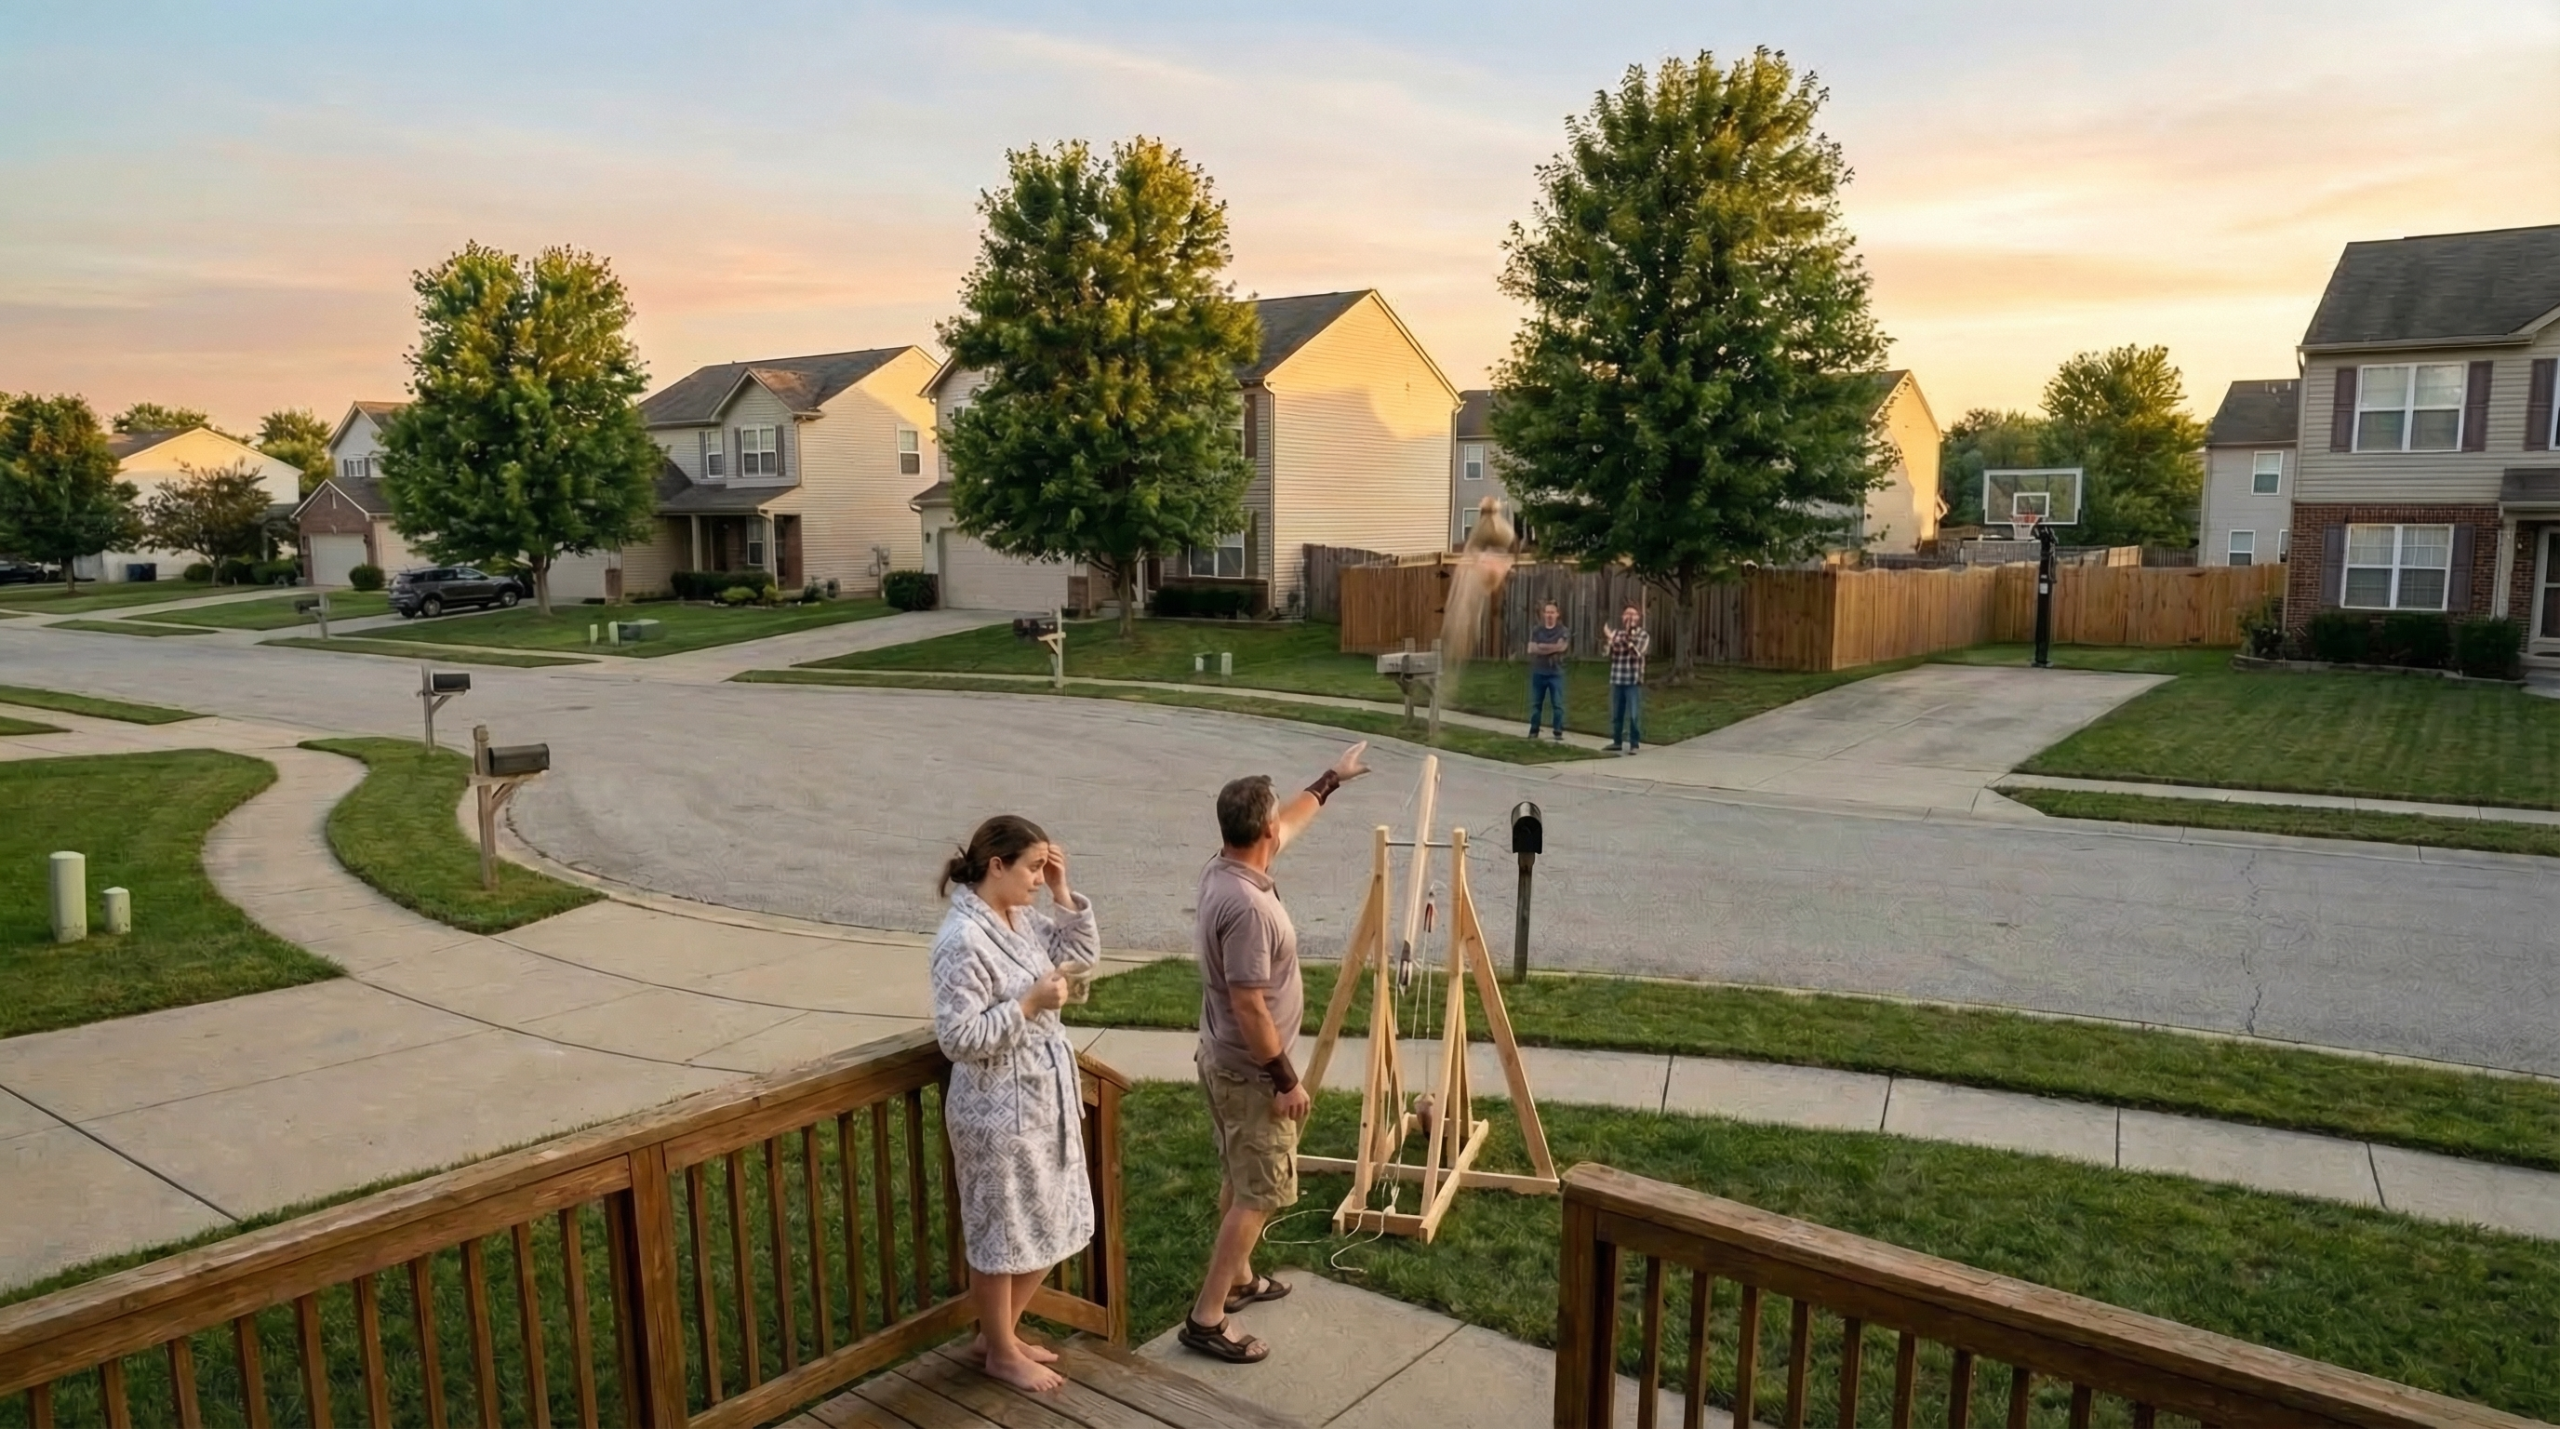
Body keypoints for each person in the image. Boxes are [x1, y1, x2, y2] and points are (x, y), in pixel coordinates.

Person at [1180, 741, 1371, 1365]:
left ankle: (1239, 1279)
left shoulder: (1226, 866)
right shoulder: (1248, 907)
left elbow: (1289, 819)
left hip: (1226, 1063)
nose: (1279, 824)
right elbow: (1250, 1005)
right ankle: (1207, 1318)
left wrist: (1330, 780)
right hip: (1251, 1073)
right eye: (1273, 818)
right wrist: (1286, 1079)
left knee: (1241, 1180)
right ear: (1260, 829)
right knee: (1261, 1194)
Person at [929, 814, 1099, 1394]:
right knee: (1001, 1231)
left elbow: (1083, 959)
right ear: (996, 865)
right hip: (994, 1108)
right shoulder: (962, 940)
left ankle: (997, 1334)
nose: (1035, 880)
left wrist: (1060, 891)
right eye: (1031, 868)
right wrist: (1026, 1006)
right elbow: (957, 1038)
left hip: (1040, 1097)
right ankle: (1000, 1349)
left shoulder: (1020, 918)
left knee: (1050, 1219)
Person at [1605, 604, 1649, 754]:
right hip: (1617, 678)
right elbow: (1609, 654)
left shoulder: (1643, 635)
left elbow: (1637, 653)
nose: (1629, 617)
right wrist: (1610, 641)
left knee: (1634, 714)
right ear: (1622, 618)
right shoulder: (1616, 633)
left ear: (1638, 618)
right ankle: (1617, 742)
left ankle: (1634, 744)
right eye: (1626, 614)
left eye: (1633, 614)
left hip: (1633, 680)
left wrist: (1627, 641)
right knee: (1617, 713)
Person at [1525, 600, 1569, 742]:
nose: (1549, 615)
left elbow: (1562, 647)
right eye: (1547, 612)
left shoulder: (1563, 630)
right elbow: (1531, 648)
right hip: (1539, 672)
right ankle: (1534, 731)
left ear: (1557, 614)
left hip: (1555, 673)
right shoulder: (1537, 630)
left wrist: (1541, 647)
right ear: (1543, 614)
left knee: (1557, 704)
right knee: (1536, 704)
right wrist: (1552, 647)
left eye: (1552, 612)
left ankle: (1558, 731)